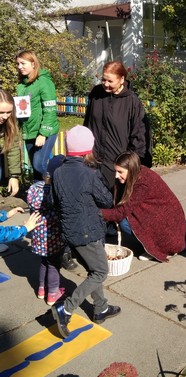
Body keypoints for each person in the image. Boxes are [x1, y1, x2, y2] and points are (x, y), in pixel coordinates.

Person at [51, 125, 120, 338]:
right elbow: (106, 201)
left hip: (70, 232)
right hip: (88, 232)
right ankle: (66, 309)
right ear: (88, 150)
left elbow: (54, 201)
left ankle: (101, 308)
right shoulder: (90, 175)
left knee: (93, 269)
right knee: (100, 272)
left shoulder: (58, 172)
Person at [101, 151, 186, 262]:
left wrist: (96, 212)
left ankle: (156, 248)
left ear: (131, 169)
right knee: (127, 217)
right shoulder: (141, 172)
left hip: (168, 231)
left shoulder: (142, 184)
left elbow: (120, 213)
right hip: (170, 223)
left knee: (124, 222)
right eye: (116, 171)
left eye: (120, 172)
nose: (116, 176)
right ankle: (154, 243)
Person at [84, 61, 151, 190]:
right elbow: (87, 123)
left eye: (110, 81)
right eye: (103, 80)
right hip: (93, 161)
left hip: (116, 165)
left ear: (121, 79)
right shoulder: (96, 94)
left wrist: (129, 165)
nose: (105, 84)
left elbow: (139, 137)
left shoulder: (131, 102)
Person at [27, 155, 66, 306]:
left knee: (44, 262)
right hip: (53, 238)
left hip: (38, 237)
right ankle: (52, 294)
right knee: (53, 264)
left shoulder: (34, 188)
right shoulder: (55, 192)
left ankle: (41, 289)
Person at [16, 50, 59, 180]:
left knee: (39, 165)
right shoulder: (21, 85)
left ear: (33, 63)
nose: (19, 67)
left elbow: (50, 109)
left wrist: (43, 133)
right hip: (29, 130)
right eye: (18, 64)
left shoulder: (44, 82)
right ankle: (39, 191)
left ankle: (62, 180)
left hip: (44, 131)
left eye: (23, 63)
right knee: (36, 169)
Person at [0, 89, 22, 196]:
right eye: (1, 112)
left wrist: (14, 176)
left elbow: (13, 148)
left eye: (8, 112)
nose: (5, 116)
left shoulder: (11, 122)